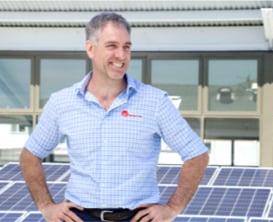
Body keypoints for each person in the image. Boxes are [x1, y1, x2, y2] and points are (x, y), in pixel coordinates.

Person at [19, 12, 209, 222]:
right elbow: (30, 156)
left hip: (137, 218)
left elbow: (197, 155)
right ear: (90, 48)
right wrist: (47, 207)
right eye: (112, 46)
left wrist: (172, 209)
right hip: (80, 217)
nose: (121, 55)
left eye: (126, 47)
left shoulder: (155, 102)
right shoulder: (62, 103)